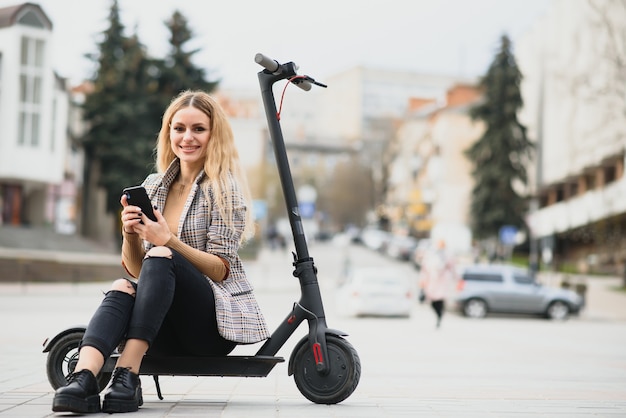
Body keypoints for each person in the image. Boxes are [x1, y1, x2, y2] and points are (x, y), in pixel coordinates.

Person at [52, 90, 270, 414]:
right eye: (179, 128)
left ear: (214, 135)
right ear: (169, 133)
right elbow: (140, 271)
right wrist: (128, 233)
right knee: (122, 286)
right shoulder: (154, 186)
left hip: (210, 327)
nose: (187, 137)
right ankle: (83, 379)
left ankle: (127, 375)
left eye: (198, 129)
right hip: (159, 326)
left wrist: (169, 241)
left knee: (162, 256)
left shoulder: (223, 189)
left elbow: (221, 269)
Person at [419, 239, 459, 329]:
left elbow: (453, 268)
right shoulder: (431, 254)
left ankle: (439, 317)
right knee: (432, 302)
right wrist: (422, 281)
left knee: (440, 301)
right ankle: (439, 315)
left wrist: (457, 279)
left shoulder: (448, 255)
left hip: (442, 282)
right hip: (432, 282)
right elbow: (424, 268)